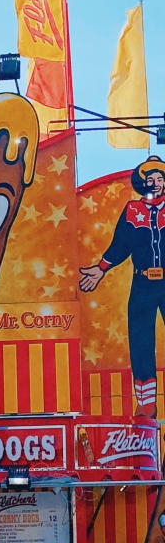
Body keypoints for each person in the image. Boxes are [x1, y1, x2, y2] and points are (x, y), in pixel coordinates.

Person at [80, 156, 165, 417]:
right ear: (143, 183)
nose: (156, 183)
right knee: (140, 343)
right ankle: (146, 403)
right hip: (142, 283)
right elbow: (120, 246)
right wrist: (100, 269)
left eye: (160, 178)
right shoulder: (132, 210)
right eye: (150, 179)